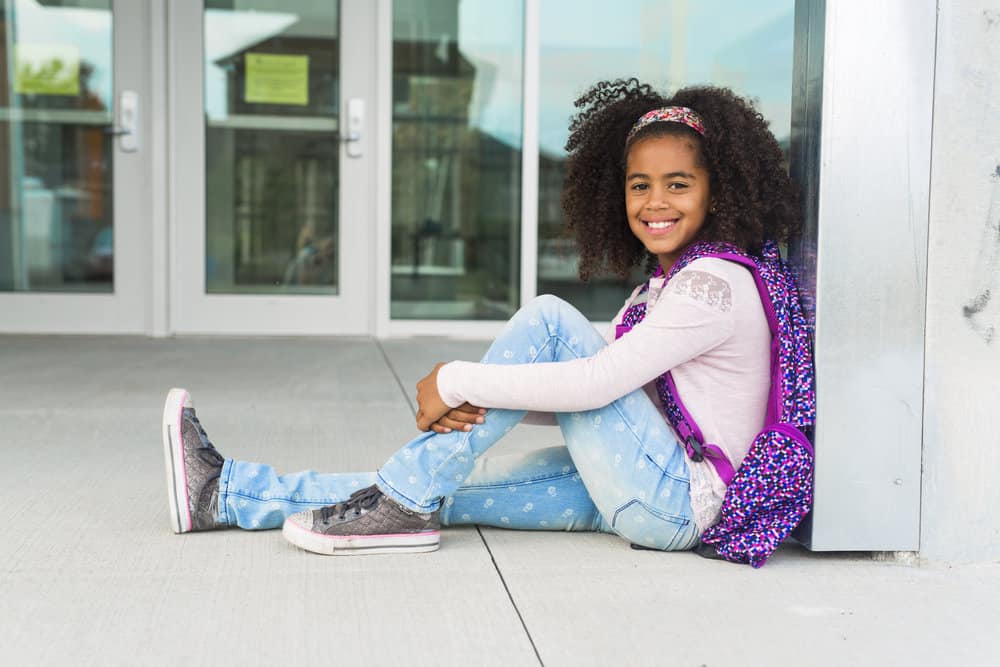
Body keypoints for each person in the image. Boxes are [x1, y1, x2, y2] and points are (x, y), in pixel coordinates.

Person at [161, 79, 802, 556]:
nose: (655, 201)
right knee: (449, 482)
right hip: (645, 482)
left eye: (678, 184)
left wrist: (461, 382)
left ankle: (402, 504)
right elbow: (587, 398)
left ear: (719, 189)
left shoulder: (712, 287)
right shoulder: (666, 287)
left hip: (672, 502)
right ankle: (227, 494)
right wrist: (484, 402)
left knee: (551, 322)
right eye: (639, 185)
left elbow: (595, 384)